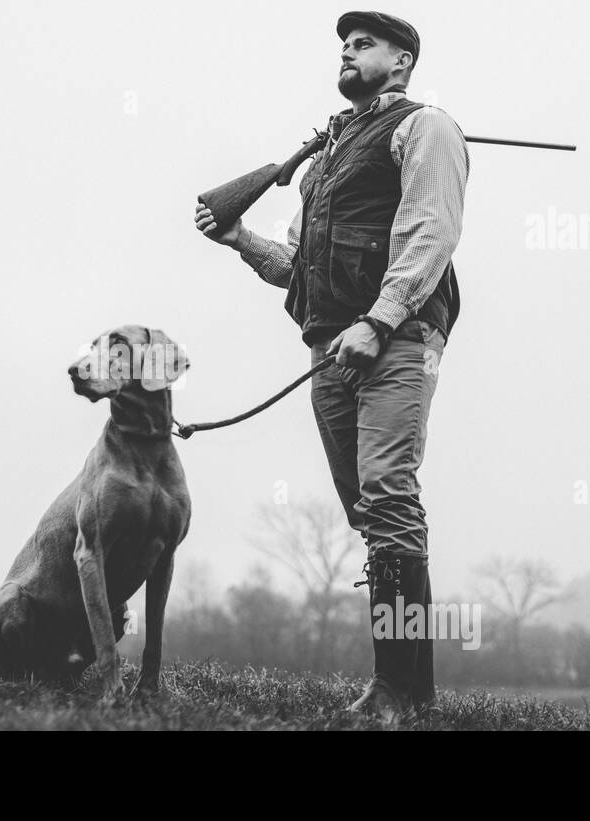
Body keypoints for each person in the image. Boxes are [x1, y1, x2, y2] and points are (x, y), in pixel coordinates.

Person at [194, 10, 469, 725]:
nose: (348, 51)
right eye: (344, 45)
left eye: (365, 44)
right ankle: (410, 691)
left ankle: (400, 692)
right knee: (370, 513)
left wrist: (379, 320)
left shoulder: (426, 128)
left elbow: (430, 233)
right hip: (329, 349)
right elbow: (301, 270)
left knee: (388, 495)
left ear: (402, 61)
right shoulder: (324, 159)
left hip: (398, 337)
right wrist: (239, 239)